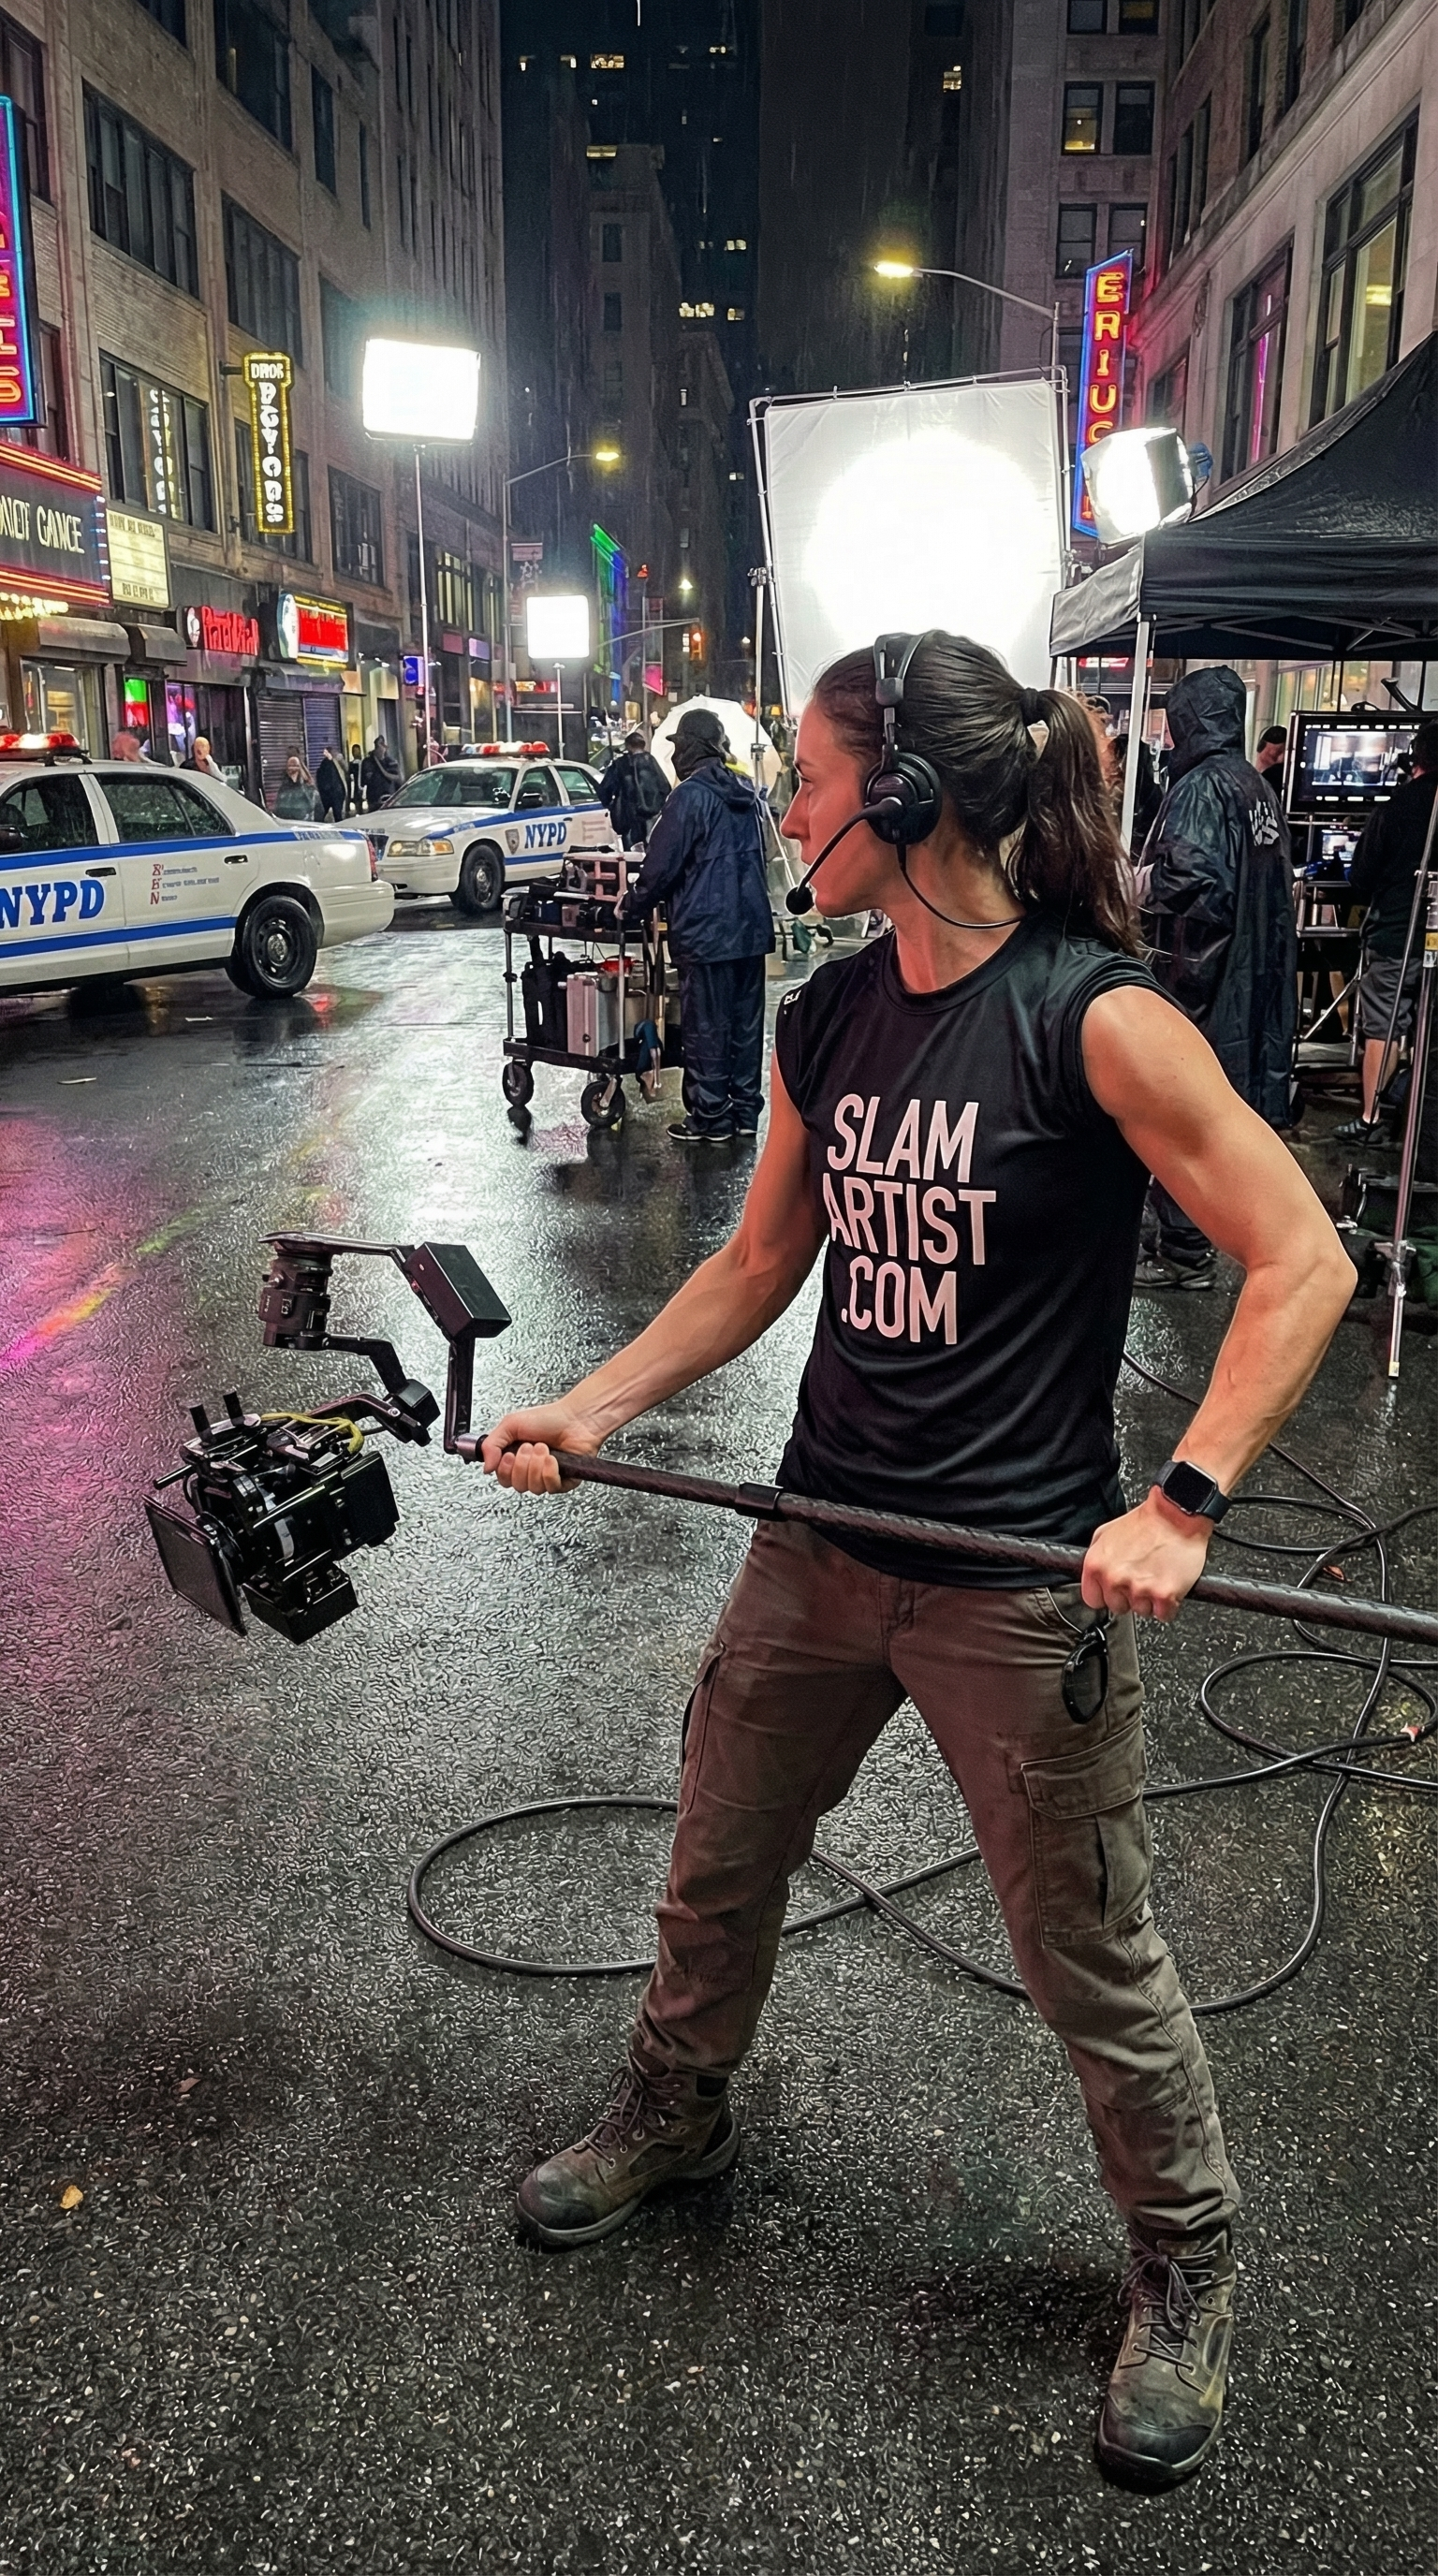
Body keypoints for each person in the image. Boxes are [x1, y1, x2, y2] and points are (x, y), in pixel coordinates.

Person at [483, 630, 1355, 2493]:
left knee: (1084, 1947)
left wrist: (1180, 1497)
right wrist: (589, 1404)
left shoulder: (1094, 1014)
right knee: (719, 1852)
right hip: (821, 1537)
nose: (791, 806)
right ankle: (677, 2105)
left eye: (808, 775)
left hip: (1014, 1579)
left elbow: (1304, 1256)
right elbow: (752, 1262)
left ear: (899, 795)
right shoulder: (830, 1013)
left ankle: (1188, 2248)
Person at [1136, 666, 1297, 1291]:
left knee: (1184, 1116)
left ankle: (1183, 1249)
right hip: (1250, 975)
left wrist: (1137, 885)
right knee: (1224, 1114)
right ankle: (1194, 1236)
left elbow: (1192, 881)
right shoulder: (1254, 784)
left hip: (1201, 978)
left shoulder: (1201, 788)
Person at [617, 707, 773, 1144]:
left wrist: (629, 905)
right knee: (745, 1030)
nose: (675, 754)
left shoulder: (688, 797)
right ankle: (743, 1113)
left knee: (706, 1030)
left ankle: (709, 1118)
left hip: (707, 935)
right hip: (750, 932)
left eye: (679, 745)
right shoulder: (748, 794)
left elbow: (659, 869)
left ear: (692, 747)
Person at [1338, 715, 1438, 1137]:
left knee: (1383, 1025)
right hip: (1424, 938)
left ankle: (1372, 1117)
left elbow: (1361, 878)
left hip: (1397, 935)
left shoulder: (1396, 809)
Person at [597, 727, 670, 848]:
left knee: (631, 854)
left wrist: (611, 805)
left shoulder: (621, 764)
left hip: (629, 817)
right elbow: (665, 787)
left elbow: (605, 789)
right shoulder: (652, 762)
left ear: (628, 746)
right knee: (652, 849)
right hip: (653, 817)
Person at [273, 752, 320, 820]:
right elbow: (278, 808)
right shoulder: (284, 787)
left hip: (304, 824)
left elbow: (313, 807)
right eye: (290, 766)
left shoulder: (308, 786)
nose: (292, 769)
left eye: (295, 766)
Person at [361, 734, 401, 810]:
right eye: (378, 747)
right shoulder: (367, 762)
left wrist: (381, 768)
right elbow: (364, 781)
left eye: (381, 746)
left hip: (389, 797)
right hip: (373, 798)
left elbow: (396, 777)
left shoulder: (391, 761)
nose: (380, 749)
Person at [315, 742, 348, 821]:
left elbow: (346, 770)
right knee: (337, 816)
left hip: (335, 794)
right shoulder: (327, 764)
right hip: (334, 794)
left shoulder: (337, 763)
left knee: (335, 815)